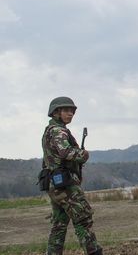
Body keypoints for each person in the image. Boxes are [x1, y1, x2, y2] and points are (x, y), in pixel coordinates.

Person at [41, 97, 102, 255]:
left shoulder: (49, 131)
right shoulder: (58, 131)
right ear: (56, 112)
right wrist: (83, 154)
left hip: (54, 184)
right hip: (65, 184)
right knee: (83, 219)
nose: (71, 113)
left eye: (72, 111)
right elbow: (66, 152)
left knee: (59, 224)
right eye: (66, 110)